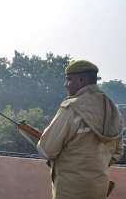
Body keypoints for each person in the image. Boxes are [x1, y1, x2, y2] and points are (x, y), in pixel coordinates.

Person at [37, 60, 124, 199]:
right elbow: (118, 151)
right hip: (99, 189)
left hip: (70, 191)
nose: (66, 84)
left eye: (69, 80)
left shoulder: (71, 108)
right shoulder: (112, 109)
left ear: (81, 80)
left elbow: (47, 149)